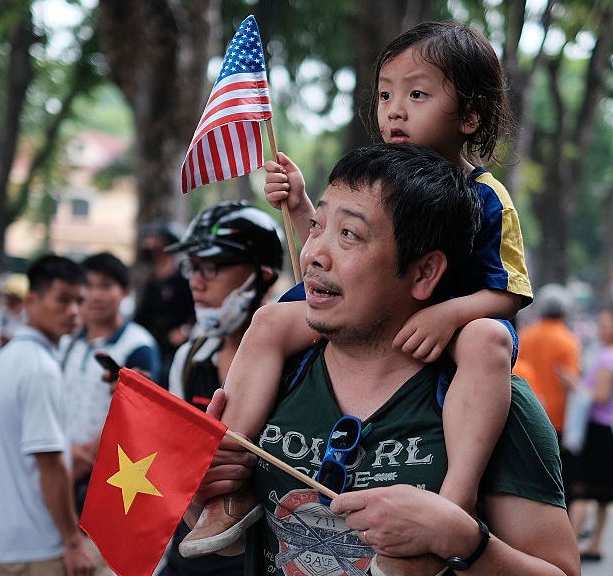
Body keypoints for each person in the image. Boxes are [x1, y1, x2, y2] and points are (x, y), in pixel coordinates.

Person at [186, 20, 534, 553]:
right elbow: (335, 260)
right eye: (386, 94)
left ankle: (454, 500)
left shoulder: (488, 197)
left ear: (470, 115)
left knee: (488, 339)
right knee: (272, 319)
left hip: (450, 324)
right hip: (372, 316)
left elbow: (510, 291)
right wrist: (302, 207)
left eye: (417, 94)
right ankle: (229, 475)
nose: (395, 109)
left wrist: (448, 315)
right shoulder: (376, 179)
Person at [192, 144, 577, 576]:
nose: (314, 253)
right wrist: (202, 491)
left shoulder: (494, 402)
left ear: (425, 272)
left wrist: (462, 539)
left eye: (350, 235)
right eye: (316, 225)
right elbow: (234, 544)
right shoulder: (275, 373)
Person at [160, 202, 284, 576]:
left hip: (262, 557)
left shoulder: (300, 365)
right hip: (191, 553)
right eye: (191, 267)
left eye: (211, 267)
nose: (196, 281)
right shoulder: (191, 358)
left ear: (262, 274)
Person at [0, 255, 97, 576]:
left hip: (1, 541)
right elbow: (50, 464)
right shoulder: (40, 369)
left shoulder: (8, 356)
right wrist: (72, 541)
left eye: (78, 301)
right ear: (32, 300)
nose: (73, 311)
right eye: (62, 299)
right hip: (36, 549)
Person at [61, 252, 159, 512]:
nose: (94, 295)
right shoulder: (68, 340)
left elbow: (138, 414)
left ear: (125, 291)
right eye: (88, 286)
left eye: (105, 286)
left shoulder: (138, 345)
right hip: (63, 463)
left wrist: (87, 454)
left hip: (112, 474)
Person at [562, 310, 613, 563]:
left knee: (580, 492)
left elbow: (599, 396)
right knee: (602, 493)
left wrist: (574, 384)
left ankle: (567, 549)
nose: (601, 329)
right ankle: (595, 544)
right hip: (604, 432)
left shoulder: (609, 358)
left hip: (595, 430)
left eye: (605, 325)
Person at [134, 220, 195, 387]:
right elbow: (140, 318)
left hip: (174, 352)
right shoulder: (150, 284)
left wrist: (185, 330)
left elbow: (196, 313)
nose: (150, 246)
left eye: (156, 241)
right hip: (152, 346)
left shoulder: (184, 282)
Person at [518, 284, 581, 436]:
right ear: (564, 310)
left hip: (527, 410)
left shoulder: (524, 336)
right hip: (557, 416)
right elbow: (570, 381)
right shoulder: (568, 341)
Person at [0, 273, 28, 348]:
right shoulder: (3, 313)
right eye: (7, 297)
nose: (8, 302)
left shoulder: (28, 319)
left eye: (14, 299)